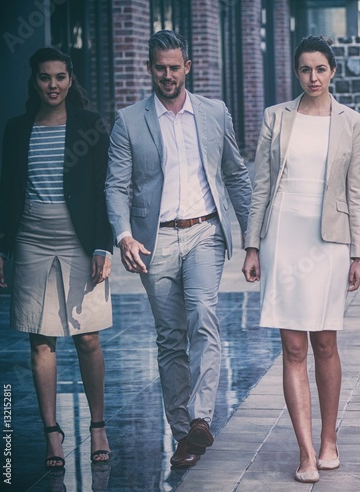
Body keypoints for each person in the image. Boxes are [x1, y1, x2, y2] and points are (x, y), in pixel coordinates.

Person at [105, 30, 252, 468]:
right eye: (160, 68)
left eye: (175, 67)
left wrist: (252, 241)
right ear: (149, 69)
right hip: (155, 242)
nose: (168, 75)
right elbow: (115, 186)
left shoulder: (213, 112)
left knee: (203, 317)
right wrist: (123, 235)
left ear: (188, 67)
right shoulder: (129, 120)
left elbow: (237, 175)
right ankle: (183, 433)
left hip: (205, 231)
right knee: (170, 339)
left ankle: (202, 417)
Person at [241, 36, 360, 484]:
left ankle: (330, 438)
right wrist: (252, 244)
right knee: (293, 346)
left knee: (325, 343)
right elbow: (260, 184)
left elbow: (358, 192)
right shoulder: (275, 117)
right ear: (295, 73)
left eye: (320, 69)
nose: (312, 78)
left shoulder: (352, 122)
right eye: (304, 70)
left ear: (332, 71)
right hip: (283, 237)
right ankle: (306, 451)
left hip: (330, 243)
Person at [0, 47, 113, 472]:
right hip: (31, 237)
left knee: (88, 336)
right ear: (34, 81)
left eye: (60, 77)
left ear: (70, 80)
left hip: (80, 238)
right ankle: (52, 434)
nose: (52, 85)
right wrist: (0, 246)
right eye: (45, 77)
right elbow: (8, 190)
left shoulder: (89, 125)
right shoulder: (16, 128)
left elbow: (105, 190)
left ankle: (97, 426)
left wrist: (104, 245)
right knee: (40, 338)